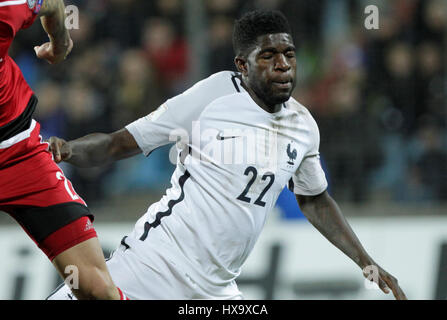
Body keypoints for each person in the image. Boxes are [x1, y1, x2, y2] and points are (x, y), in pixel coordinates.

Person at [47, 10, 407, 300]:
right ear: (243, 65)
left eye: (289, 54)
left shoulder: (303, 124)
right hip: (154, 264)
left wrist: (366, 262)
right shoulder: (212, 96)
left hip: (216, 289)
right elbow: (117, 143)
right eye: (268, 56)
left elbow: (314, 199)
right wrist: (68, 150)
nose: (282, 64)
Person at [0, 0, 126, 300]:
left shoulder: (5, 7)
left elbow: (53, 5)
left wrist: (60, 43)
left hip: (20, 153)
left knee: (96, 288)